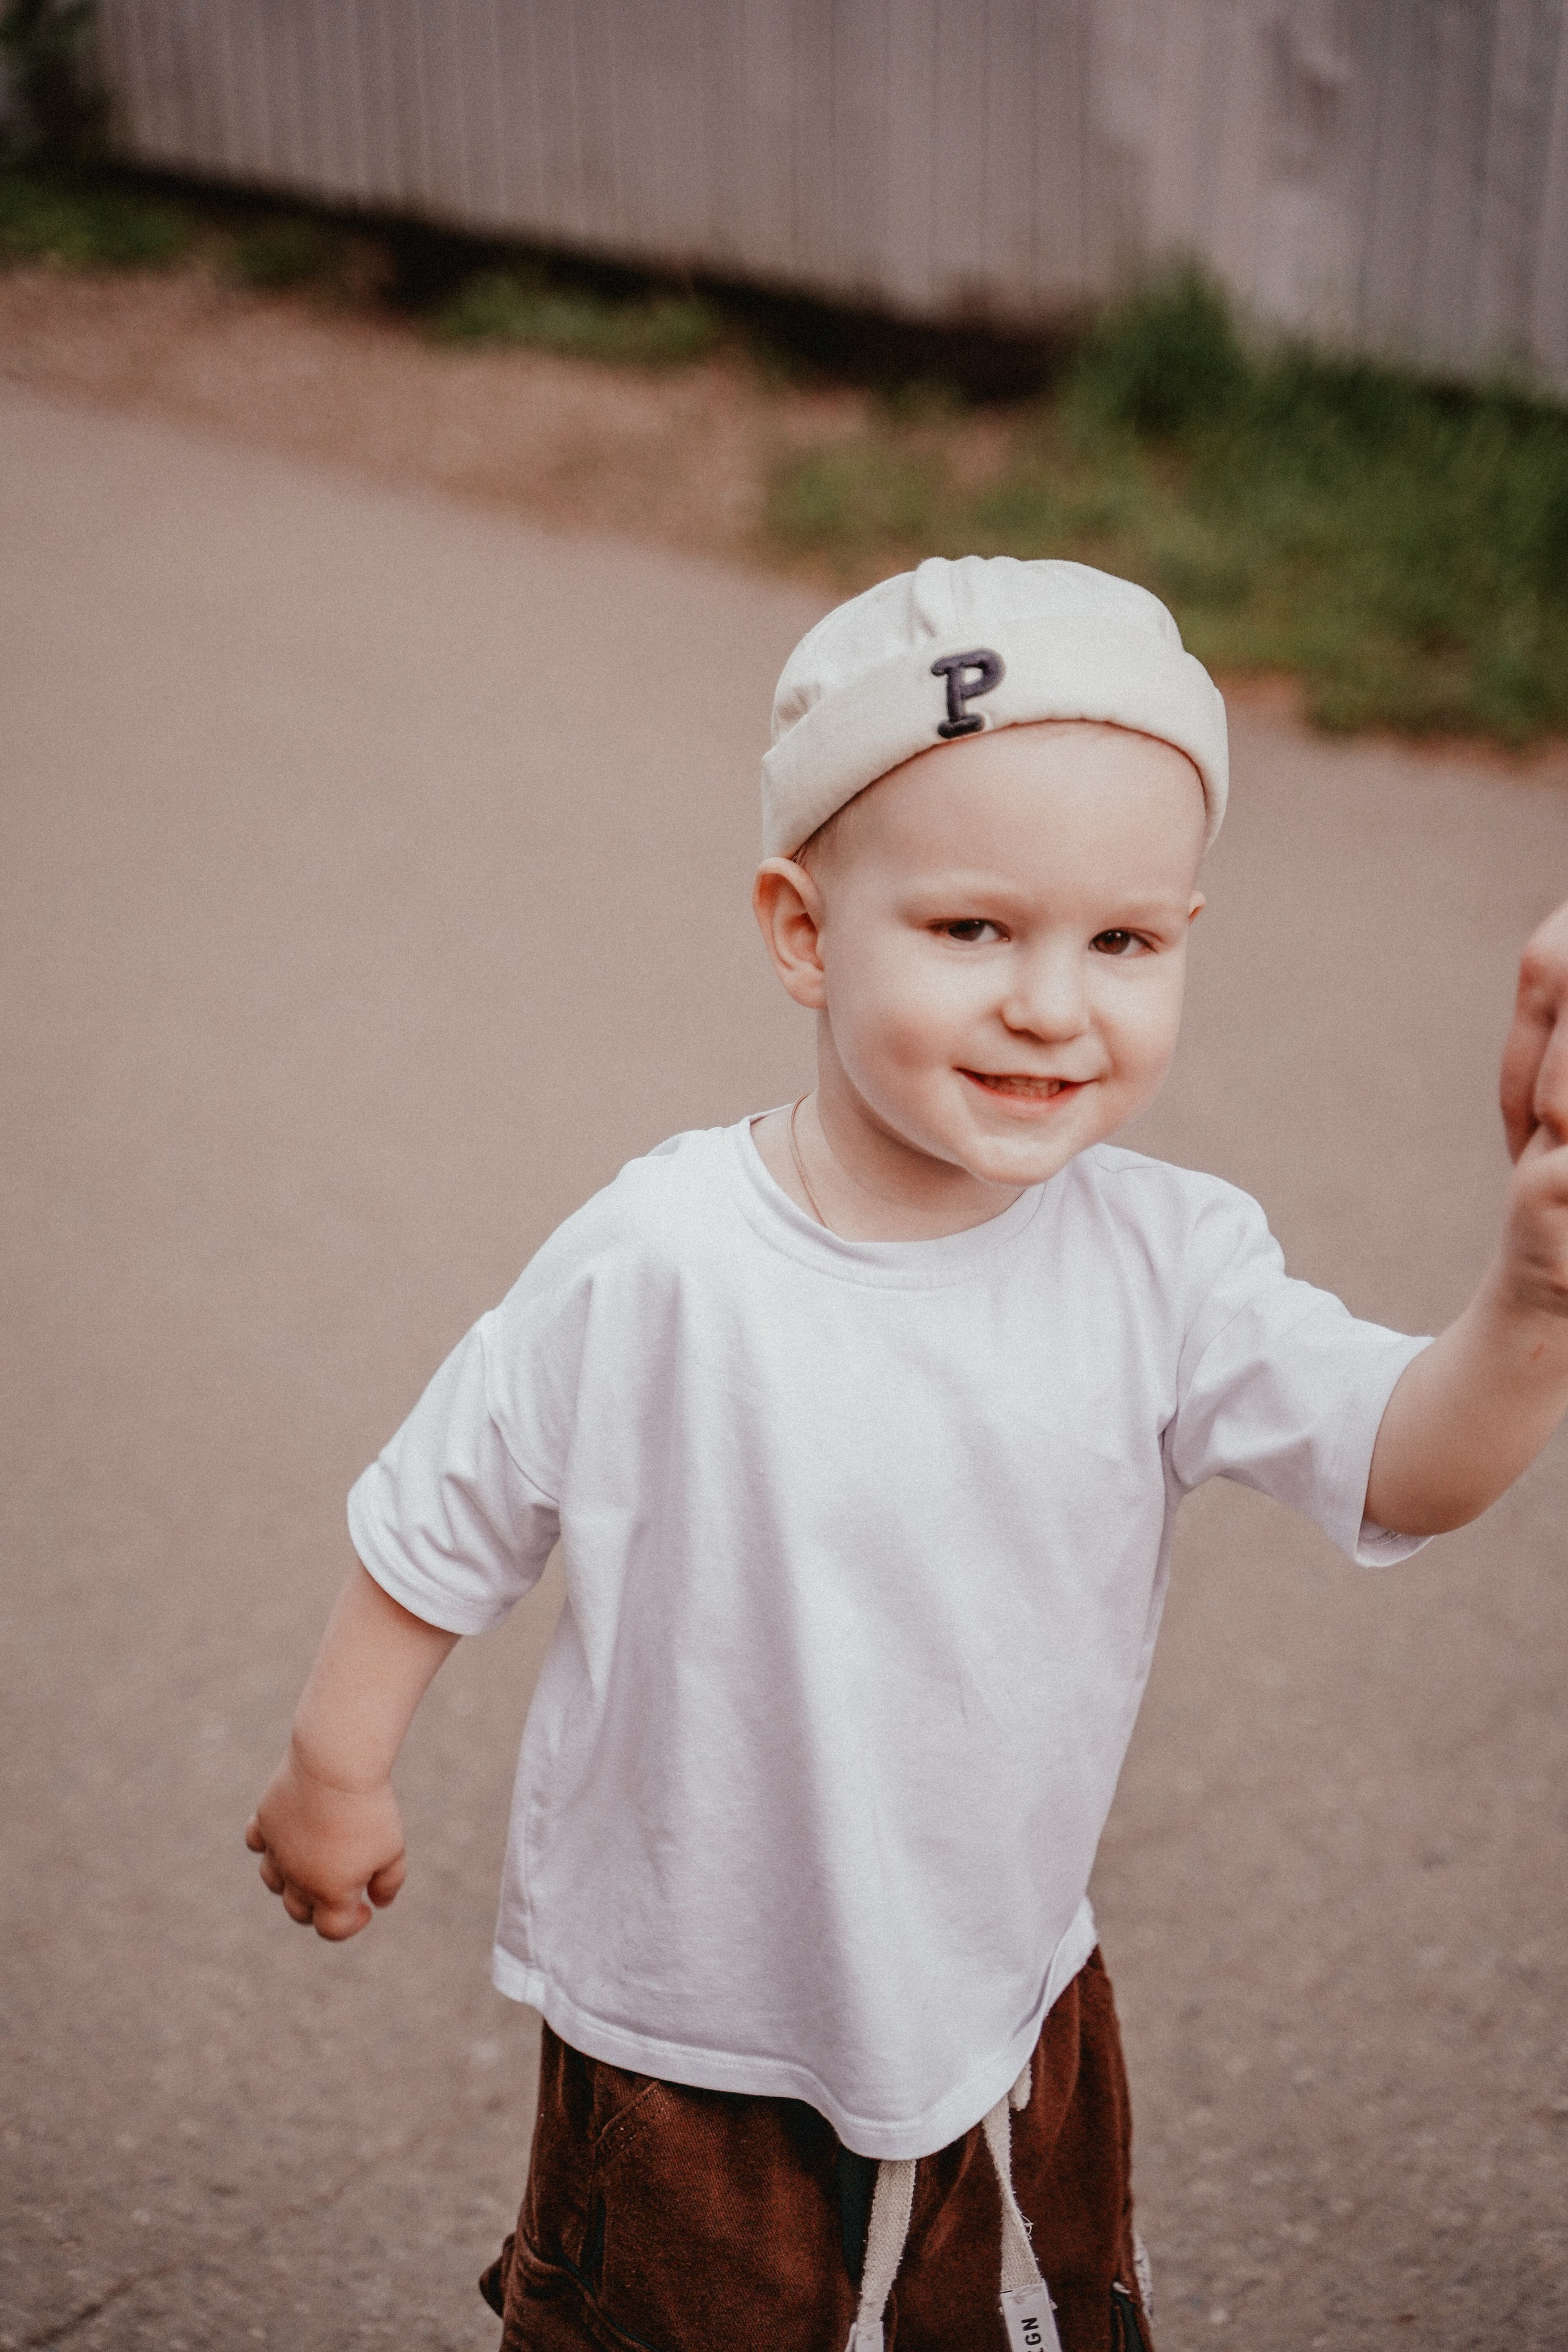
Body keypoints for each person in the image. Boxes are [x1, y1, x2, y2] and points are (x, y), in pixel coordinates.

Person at [245, 559, 1568, 2352]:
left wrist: (1534, 1304)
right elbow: (447, 1514)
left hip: (1002, 2012)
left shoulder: (1166, 1268)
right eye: (972, 931)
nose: (1052, 1004)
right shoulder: (664, 1259)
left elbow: (1406, 1459)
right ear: (803, 930)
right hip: (685, 2042)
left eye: (1125, 942)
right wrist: (341, 1766)